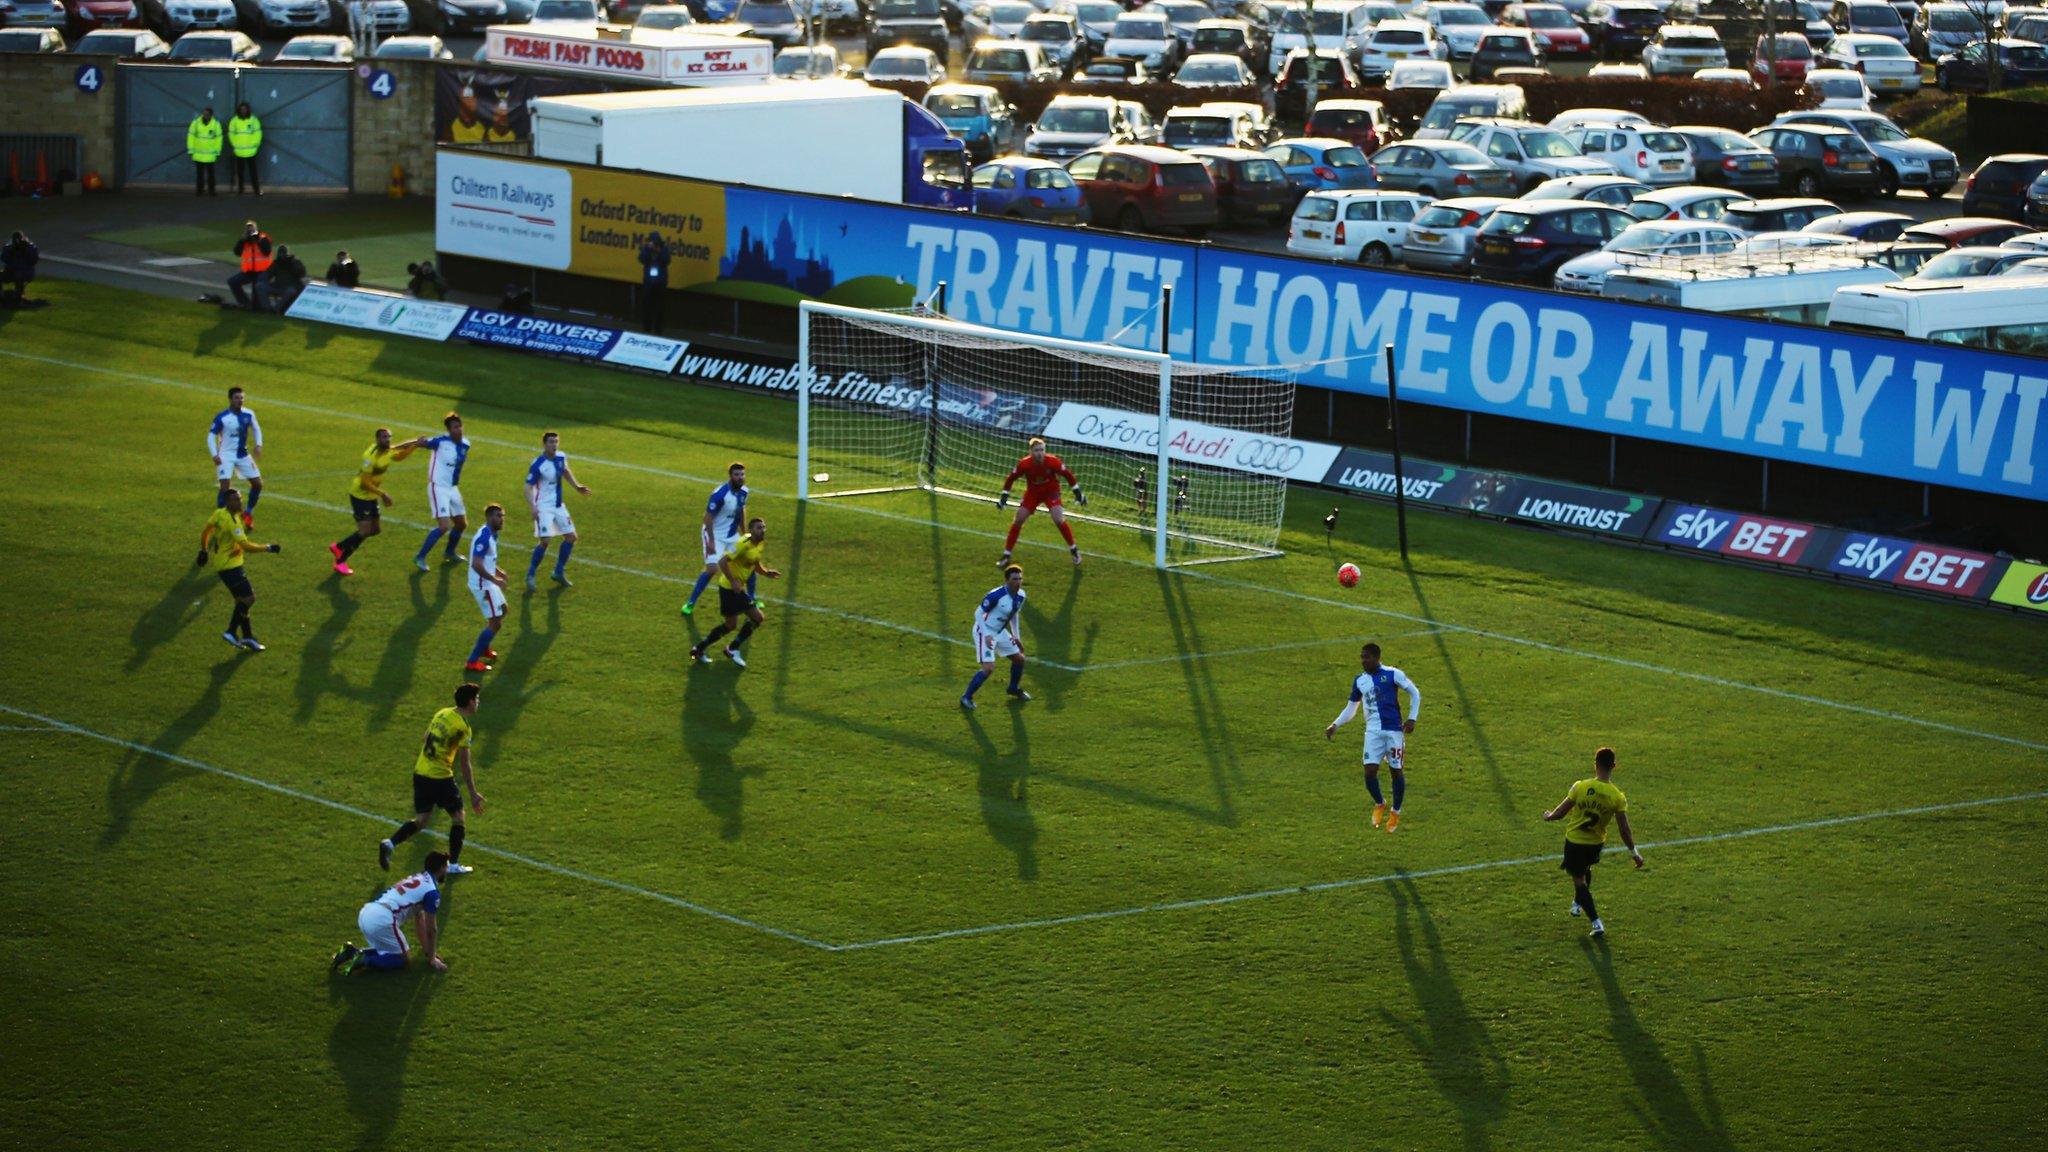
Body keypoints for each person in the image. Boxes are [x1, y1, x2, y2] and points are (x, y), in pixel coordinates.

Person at [377, 684, 486, 876]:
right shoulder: (463, 727)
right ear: (469, 702)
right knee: (458, 817)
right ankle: (452, 864)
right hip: (440, 777)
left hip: (420, 772)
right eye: (476, 699)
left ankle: (390, 843)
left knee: (422, 819)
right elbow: (465, 764)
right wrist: (473, 793)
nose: (478, 702)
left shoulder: (442, 713)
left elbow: (425, 737)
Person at [1543, 746, 1643, 939]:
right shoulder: (1617, 797)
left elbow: (1561, 813)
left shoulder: (1580, 786)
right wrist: (1635, 854)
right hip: (1595, 844)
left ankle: (1596, 922)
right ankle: (1577, 903)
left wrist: (1549, 816)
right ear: (1614, 766)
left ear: (1595, 764)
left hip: (1575, 842)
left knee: (1579, 880)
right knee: (1585, 868)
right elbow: (1624, 830)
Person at [1324, 642, 1422, 833]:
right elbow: (1352, 707)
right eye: (1361, 657)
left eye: (1366, 657)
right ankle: (1380, 803)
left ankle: (1395, 811)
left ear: (1377, 658)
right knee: (1369, 773)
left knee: (1396, 772)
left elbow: (1415, 693)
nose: (1363, 661)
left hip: (1394, 731)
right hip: (1373, 733)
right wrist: (1335, 724)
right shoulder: (1360, 680)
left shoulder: (1393, 674)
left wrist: (1412, 718)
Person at [331, 851, 452, 975]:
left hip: (367, 912)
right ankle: (365, 960)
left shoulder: (417, 877)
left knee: (388, 951)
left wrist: (428, 951)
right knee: (403, 959)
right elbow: (431, 929)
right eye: (447, 867)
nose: (447, 870)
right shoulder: (432, 892)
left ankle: (350, 952)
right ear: (441, 868)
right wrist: (432, 959)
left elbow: (420, 920)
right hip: (383, 919)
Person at [687, 517, 780, 668]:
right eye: (758, 528)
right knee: (757, 617)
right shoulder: (742, 544)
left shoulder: (760, 544)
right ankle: (732, 648)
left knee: (730, 625)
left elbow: (754, 562)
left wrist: (766, 572)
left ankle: (699, 649)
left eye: (763, 527)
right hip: (730, 589)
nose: (762, 530)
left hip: (733, 589)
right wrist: (733, 582)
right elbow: (722, 561)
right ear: (750, 530)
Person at [197, 487, 280, 652]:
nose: (239, 501)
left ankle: (248, 636)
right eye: (235, 499)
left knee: (241, 602)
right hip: (231, 566)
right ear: (228, 502)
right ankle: (231, 631)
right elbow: (246, 546)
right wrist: (268, 548)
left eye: (240, 498)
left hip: (223, 564)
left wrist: (204, 550)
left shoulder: (219, 513)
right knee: (249, 599)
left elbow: (206, 531)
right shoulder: (232, 522)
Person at [331, 427, 422, 576]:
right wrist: (383, 494)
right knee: (364, 531)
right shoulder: (370, 456)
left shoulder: (388, 450)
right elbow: (365, 483)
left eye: (388, 437)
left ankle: (339, 546)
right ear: (377, 439)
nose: (386, 440)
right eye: (383, 437)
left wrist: (416, 444)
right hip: (360, 495)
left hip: (371, 497)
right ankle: (340, 560)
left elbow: (399, 454)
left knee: (375, 530)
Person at [998, 437, 1086, 568]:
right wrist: (1004, 496)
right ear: (1030, 452)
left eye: (1042, 450)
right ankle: (1006, 555)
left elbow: (1068, 475)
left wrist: (1078, 493)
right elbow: (1011, 479)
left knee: (1058, 519)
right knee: (1019, 519)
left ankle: (1074, 551)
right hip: (1033, 493)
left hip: (1051, 492)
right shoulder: (1024, 464)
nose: (1039, 453)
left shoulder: (1052, 462)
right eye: (1036, 450)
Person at [524, 431, 589, 591]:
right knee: (545, 541)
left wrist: (577, 486)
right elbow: (527, 487)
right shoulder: (538, 464)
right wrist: (533, 507)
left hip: (559, 505)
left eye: (556, 442)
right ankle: (531, 574)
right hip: (543, 507)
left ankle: (558, 571)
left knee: (571, 537)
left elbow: (565, 471)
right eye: (551, 442)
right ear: (544, 444)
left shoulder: (561, 457)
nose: (554, 445)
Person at [683, 462, 749, 617]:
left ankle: (752, 597)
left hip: (731, 535)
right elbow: (707, 518)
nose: (740, 478)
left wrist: (745, 533)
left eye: (742, 474)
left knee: (747, 559)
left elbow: (741, 512)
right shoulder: (720, 495)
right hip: (714, 534)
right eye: (737, 475)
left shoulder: (744, 492)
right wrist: (711, 541)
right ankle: (690, 602)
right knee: (712, 569)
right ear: (730, 476)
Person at [961, 564, 1030, 709]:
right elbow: (978, 613)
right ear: (1007, 580)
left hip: (1000, 632)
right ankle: (966, 697)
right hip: (984, 631)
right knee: (988, 668)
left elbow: (1014, 614)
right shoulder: (996, 595)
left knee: (1019, 659)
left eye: (1020, 579)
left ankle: (1013, 688)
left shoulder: (1021, 596)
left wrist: (1016, 636)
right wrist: (986, 635)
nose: (1018, 582)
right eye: (1014, 579)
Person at [415, 413, 471, 572]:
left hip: (452, 488)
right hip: (438, 487)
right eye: (455, 427)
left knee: (461, 524)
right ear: (448, 430)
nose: (459, 430)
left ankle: (449, 552)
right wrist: (417, 443)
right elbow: (423, 443)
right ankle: (420, 557)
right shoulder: (440, 442)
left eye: (460, 426)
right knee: (444, 526)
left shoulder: (466, 444)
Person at [207, 387, 264, 526]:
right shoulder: (222, 417)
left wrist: (258, 444)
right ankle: (220, 518)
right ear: (230, 399)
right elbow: (210, 436)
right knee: (225, 488)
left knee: (258, 484)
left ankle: (248, 513)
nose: (240, 400)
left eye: (242, 398)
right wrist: (215, 454)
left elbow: (256, 428)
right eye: (237, 398)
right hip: (226, 455)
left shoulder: (249, 414)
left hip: (242, 454)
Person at [464, 505, 509, 673]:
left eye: (502, 516)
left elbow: (487, 559)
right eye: (498, 516)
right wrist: (495, 580)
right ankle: (472, 661)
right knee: (496, 623)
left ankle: (484, 647)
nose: (502, 519)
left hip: (488, 582)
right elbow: (476, 564)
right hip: (482, 585)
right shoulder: (484, 537)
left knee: (503, 610)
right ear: (490, 517)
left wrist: (498, 571)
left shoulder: (491, 534)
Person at [228, 220, 273, 310]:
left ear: (256, 229)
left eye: (251, 229)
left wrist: (258, 240)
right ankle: (245, 303)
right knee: (233, 282)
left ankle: (256, 307)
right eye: (248, 229)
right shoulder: (245, 240)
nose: (250, 231)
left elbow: (267, 252)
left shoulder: (263, 237)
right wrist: (242, 240)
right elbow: (237, 252)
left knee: (257, 305)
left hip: (262, 272)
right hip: (248, 272)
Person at [639, 231, 672, 334]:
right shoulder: (647, 248)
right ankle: (647, 327)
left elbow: (667, 260)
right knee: (647, 305)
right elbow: (641, 259)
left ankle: (658, 328)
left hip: (660, 282)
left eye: (655, 242)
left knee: (660, 306)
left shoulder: (664, 249)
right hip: (649, 282)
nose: (654, 243)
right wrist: (649, 249)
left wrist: (659, 251)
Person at [227, 102, 263, 196]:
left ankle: (256, 190)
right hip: (239, 151)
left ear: (248, 110)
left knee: (253, 172)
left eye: (245, 109)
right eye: (241, 109)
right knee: (240, 172)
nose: (243, 111)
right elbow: (231, 134)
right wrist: (235, 144)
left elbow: (258, 133)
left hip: (251, 151)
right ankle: (240, 190)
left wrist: (255, 145)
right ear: (239, 110)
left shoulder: (253, 120)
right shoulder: (234, 121)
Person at [187, 106, 222, 197]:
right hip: (198, 153)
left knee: (211, 174)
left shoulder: (215, 124)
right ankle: (199, 191)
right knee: (199, 174)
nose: (205, 115)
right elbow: (191, 136)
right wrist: (191, 149)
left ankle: (212, 191)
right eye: (204, 113)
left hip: (210, 154)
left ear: (211, 115)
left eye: (207, 114)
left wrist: (217, 151)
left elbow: (219, 138)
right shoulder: (196, 123)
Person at [265, 244, 307, 312]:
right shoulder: (276, 263)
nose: (282, 257)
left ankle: (276, 310)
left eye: (283, 254)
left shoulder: (294, 261)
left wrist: (293, 262)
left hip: (292, 286)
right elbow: (267, 275)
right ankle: (266, 308)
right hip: (278, 286)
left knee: (290, 291)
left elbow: (302, 273)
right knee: (260, 286)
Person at [1, 230, 37, 307]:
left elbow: (34, 260)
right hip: (11, 271)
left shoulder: (30, 246)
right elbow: (4, 258)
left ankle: (18, 298)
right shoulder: (8, 247)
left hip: (26, 273)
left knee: (19, 276)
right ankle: (1, 296)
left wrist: (26, 249)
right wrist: (11, 250)